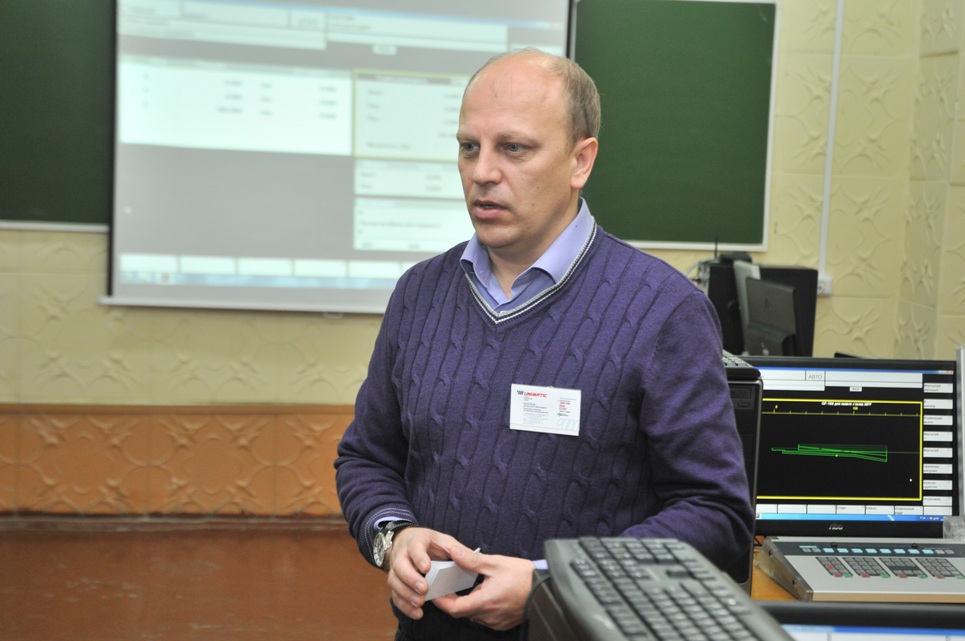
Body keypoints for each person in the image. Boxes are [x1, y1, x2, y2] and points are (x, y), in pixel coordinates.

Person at [334, 49, 753, 641]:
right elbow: (367, 459)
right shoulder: (419, 293)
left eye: (514, 148)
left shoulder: (664, 311)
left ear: (581, 161)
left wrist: (554, 583)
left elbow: (717, 515)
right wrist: (394, 535)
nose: (482, 172)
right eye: (469, 147)